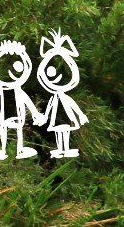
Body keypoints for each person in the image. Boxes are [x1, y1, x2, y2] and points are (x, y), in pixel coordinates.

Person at [0, 41, 41, 160]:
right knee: (4, 130)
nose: (10, 72)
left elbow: (27, 101)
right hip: (4, 115)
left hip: (17, 114)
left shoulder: (18, 90)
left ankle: (19, 149)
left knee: (19, 130)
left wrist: (35, 113)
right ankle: (4, 149)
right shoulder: (1, 91)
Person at [35, 31, 86, 160]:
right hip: (57, 117)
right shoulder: (55, 97)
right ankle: (60, 149)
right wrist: (44, 117)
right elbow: (51, 106)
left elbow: (72, 104)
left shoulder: (65, 97)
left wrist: (80, 115)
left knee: (65, 131)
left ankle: (66, 149)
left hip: (65, 116)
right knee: (59, 131)